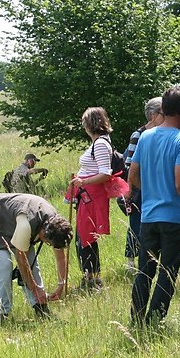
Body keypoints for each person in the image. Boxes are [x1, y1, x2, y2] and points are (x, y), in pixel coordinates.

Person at [129, 85, 180, 326]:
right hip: (175, 219)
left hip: (149, 218)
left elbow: (132, 175)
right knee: (168, 272)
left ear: (162, 109)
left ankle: (136, 321)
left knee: (145, 271)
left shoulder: (146, 136)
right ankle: (155, 321)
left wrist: (152, 191)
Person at [0, 193, 73, 320]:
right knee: (3, 264)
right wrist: (35, 289)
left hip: (12, 219)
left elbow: (60, 257)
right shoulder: (26, 224)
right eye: (47, 243)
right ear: (44, 233)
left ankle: (41, 308)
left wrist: (61, 285)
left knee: (32, 263)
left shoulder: (56, 225)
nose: (47, 245)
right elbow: (21, 261)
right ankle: (1, 314)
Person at [68, 106, 115, 291]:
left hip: (92, 197)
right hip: (87, 196)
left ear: (90, 123)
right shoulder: (99, 142)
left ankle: (92, 279)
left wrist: (82, 181)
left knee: (87, 237)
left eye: (84, 121)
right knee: (84, 236)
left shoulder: (101, 144)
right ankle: (89, 276)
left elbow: (105, 173)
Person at [122, 97, 164, 271]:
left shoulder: (164, 133)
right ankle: (131, 261)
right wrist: (131, 189)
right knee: (136, 224)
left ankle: (151, 258)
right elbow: (129, 164)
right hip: (139, 187)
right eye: (164, 112)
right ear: (153, 115)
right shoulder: (138, 134)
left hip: (156, 186)